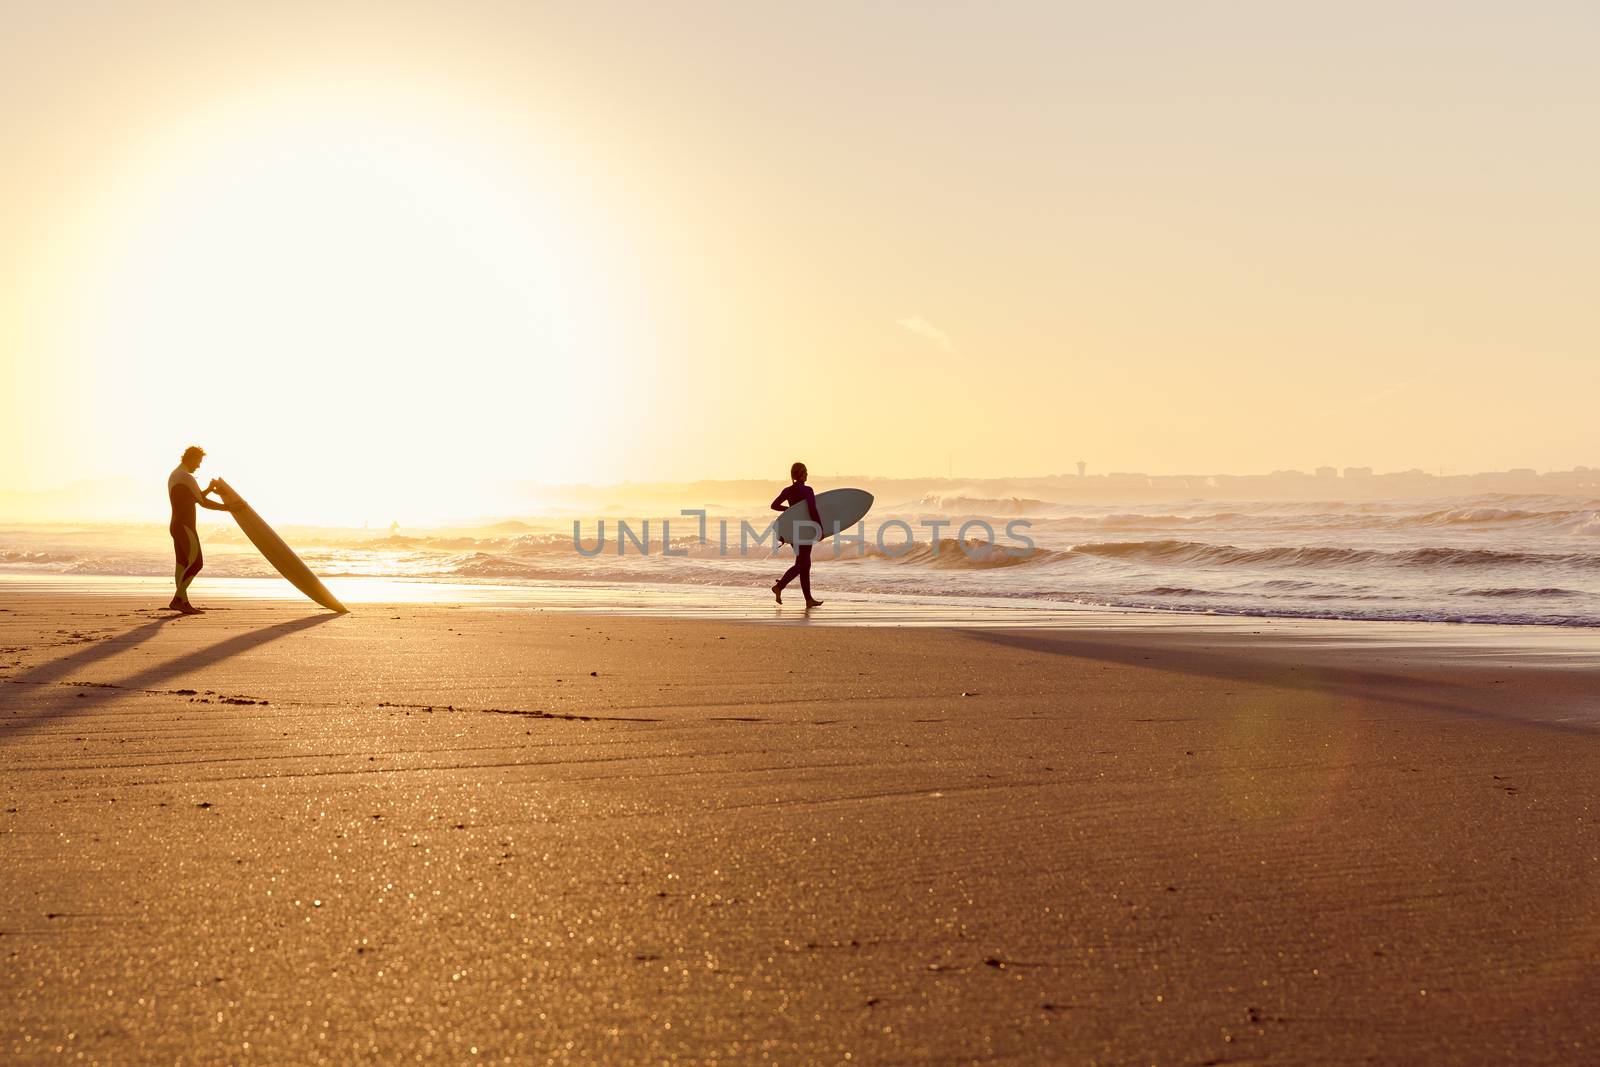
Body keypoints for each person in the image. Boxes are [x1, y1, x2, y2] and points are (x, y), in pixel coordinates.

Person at [167, 446, 235, 614]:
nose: (198, 466)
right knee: (197, 563)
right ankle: (177, 599)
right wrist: (228, 508)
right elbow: (203, 503)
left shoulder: (175, 475)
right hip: (185, 526)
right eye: (198, 461)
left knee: (182, 565)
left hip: (176, 525)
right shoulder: (186, 476)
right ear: (191, 458)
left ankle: (183, 602)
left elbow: (194, 498)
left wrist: (210, 489)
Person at [770, 461, 824, 608]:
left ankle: (808, 600)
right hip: (806, 529)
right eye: (805, 471)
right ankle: (779, 586)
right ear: (800, 474)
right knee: (803, 564)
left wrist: (789, 510)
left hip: (794, 530)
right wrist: (820, 528)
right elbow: (813, 510)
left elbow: (774, 505)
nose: (807, 474)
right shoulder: (807, 490)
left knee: (804, 564)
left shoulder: (787, 490)